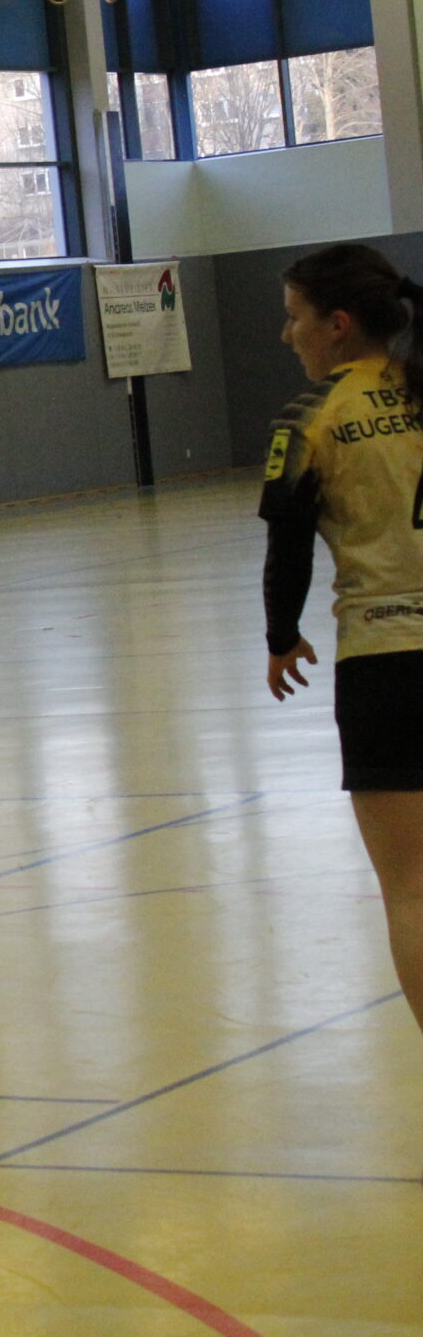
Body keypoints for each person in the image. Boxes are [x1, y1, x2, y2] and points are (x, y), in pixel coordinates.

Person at [261, 243, 423, 1046]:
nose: (286, 334)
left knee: (412, 889)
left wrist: (281, 636)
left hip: (386, 664)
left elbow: (287, 545)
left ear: (338, 324)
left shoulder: (309, 418)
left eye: (295, 317)